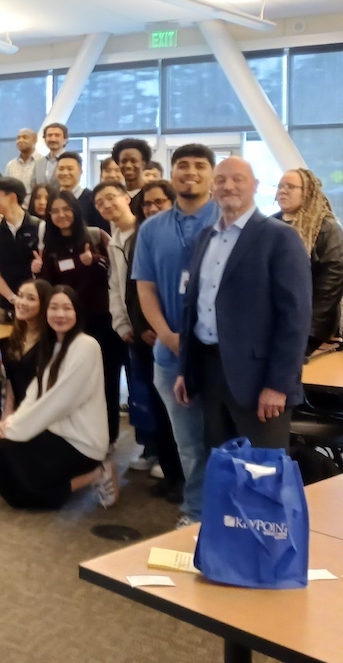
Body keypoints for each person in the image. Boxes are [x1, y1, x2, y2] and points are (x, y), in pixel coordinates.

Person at [179, 157, 312, 451]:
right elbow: (193, 308)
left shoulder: (280, 238)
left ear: (255, 186)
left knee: (262, 474)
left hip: (259, 380)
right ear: (212, 188)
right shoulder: (204, 238)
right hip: (209, 371)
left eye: (238, 179)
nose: (228, 186)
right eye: (221, 179)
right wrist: (184, 370)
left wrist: (278, 385)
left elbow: (296, 318)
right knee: (223, 467)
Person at [132, 143, 220, 526]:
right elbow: (145, 288)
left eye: (200, 166)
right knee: (189, 444)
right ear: (171, 174)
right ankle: (197, 512)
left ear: (211, 175)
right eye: (182, 165)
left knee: (225, 440)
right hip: (170, 356)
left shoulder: (229, 219)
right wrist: (167, 336)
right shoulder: (152, 228)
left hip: (220, 357)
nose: (190, 172)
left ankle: (229, 515)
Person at [0, 285, 116, 509]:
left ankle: (97, 473)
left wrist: (16, 428)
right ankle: (43, 485)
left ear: (77, 313)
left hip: (82, 442)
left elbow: (59, 402)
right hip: (55, 432)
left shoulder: (86, 346)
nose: (60, 314)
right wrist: (9, 422)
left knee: (22, 483)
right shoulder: (52, 346)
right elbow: (34, 394)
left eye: (67, 308)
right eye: (54, 308)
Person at [35, 190, 124, 447]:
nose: (61, 215)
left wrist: (95, 260)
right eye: (55, 211)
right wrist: (37, 273)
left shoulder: (95, 236)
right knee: (70, 379)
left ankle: (108, 436)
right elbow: (49, 287)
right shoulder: (49, 246)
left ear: (76, 210)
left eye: (66, 209)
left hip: (100, 323)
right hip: (66, 325)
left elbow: (115, 273)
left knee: (105, 380)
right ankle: (74, 433)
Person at [95, 181, 159, 471]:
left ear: (126, 198)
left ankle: (162, 452)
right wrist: (121, 323)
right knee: (139, 389)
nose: (107, 205)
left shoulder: (145, 233)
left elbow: (149, 286)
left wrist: (146, 323)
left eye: (111, 198)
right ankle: (149, 448)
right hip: (129, 327)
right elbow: (115, 286)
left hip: (152, 327)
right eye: (100, 203)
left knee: (157, 389)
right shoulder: (115, 238)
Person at [132, 177, 184, 501]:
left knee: (182, 413)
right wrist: (141, 326)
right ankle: (169, 472)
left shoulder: (182, 236)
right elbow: (134, 289)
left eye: (158, 202)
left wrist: (164, 328)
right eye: (147, 204)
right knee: (159, 410)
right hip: (146, 337)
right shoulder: (142, 236)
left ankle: (184, 480)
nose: (152, 208)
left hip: (175, 336)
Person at [0, 279, 52, 459]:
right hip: (17, 412)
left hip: (41, 415)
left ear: (45, 304)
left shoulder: (50, 343)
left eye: (31, 298)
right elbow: (11, 381)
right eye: (20, 296)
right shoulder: (15, 337)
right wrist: (7, 415)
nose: (22, 302)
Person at [273, 168, 343, 353]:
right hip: (273, 323)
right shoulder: (268, 226)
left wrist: (310, 334)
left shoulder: (327, 228)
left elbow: (330, 285)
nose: (283, 190)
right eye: (280, 186)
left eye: (290, 186)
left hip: (311, 326)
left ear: (308, 192)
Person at [0, 177, 44, 310]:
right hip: (7, 304)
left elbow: (44, 263)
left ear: (12, 198)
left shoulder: (40, 227)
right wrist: (13, 298)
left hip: (36, 304)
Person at [55, 151, 108, 232]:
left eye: (70, 169)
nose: (65, 173)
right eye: (61, 169)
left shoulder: (93, 198)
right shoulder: (53, 198)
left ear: (80, 171)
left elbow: (102, 232)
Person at [112, 137, 152, 221]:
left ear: (143, 164)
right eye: (124, 161)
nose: (128, 166)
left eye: (133, 161)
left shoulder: (151, 193)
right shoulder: (116, 195)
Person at [4, 128, 40, 200]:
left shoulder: (42, 162)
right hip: (14, 208)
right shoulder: (11, 165)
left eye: (25, 137)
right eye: (18, 138)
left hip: (35, 208)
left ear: (35, 140)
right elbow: (6, 190)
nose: (20, 140)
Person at [35, 122, 69, 189]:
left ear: (65, 140)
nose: (53, 139)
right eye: (49, 135)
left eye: (57, 135)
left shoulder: (71, 161)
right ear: (44, 139)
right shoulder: (38, 163)